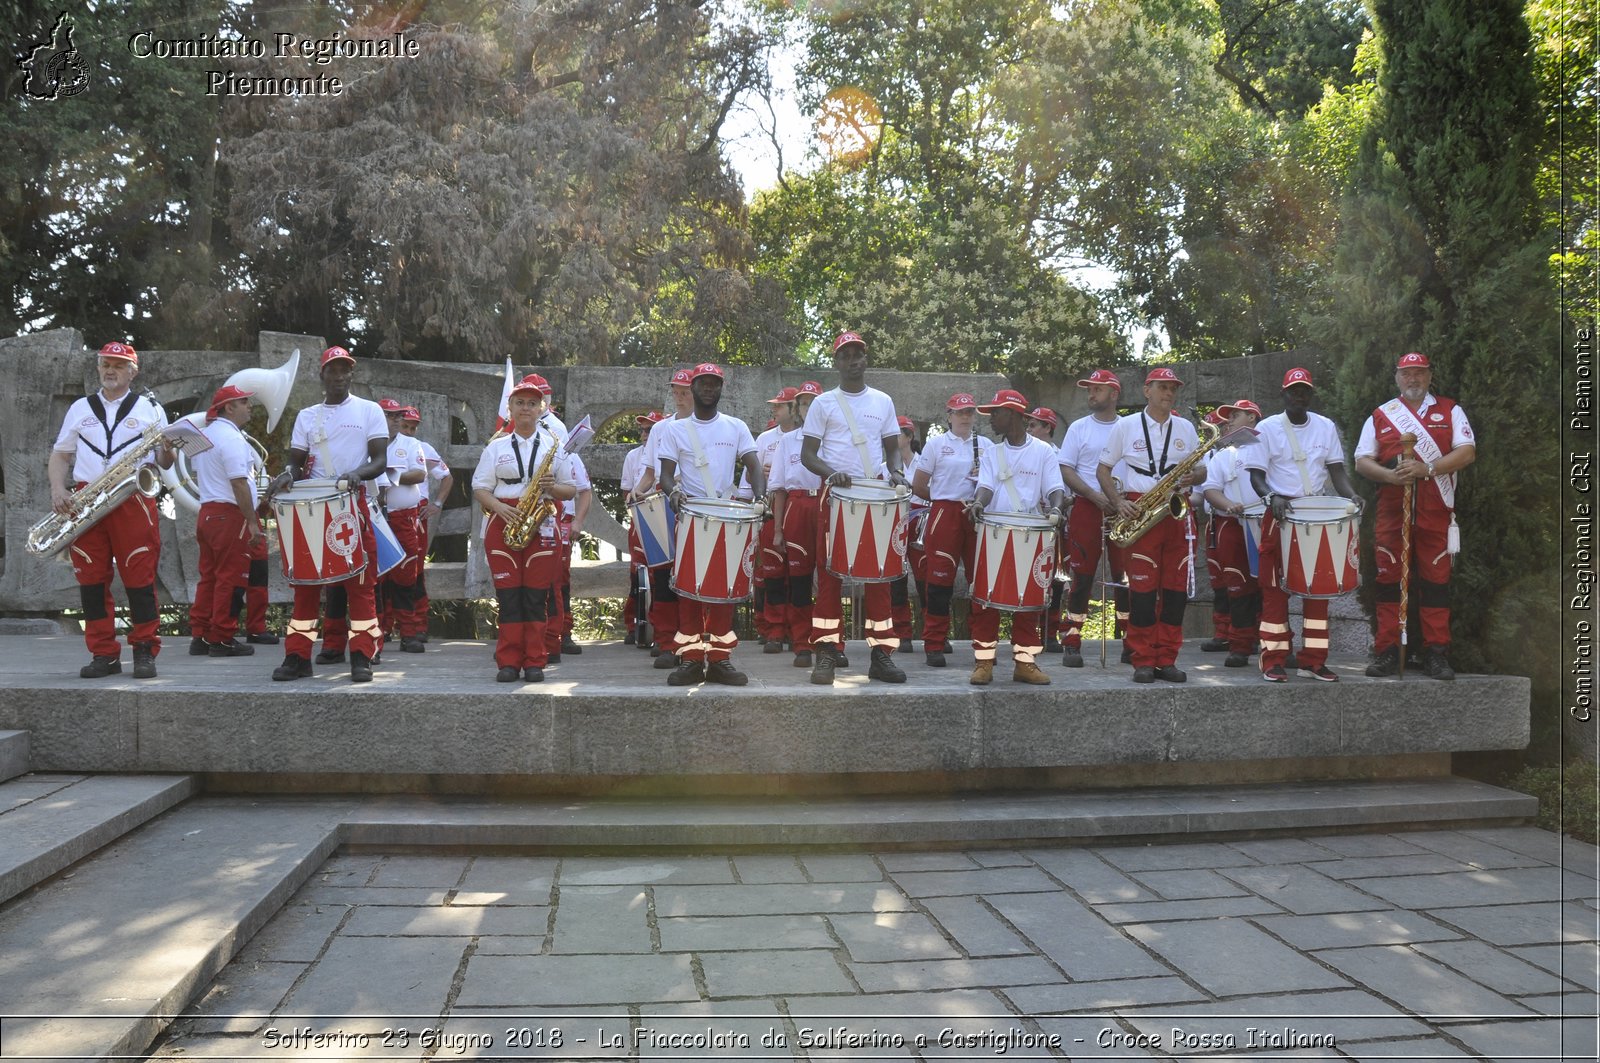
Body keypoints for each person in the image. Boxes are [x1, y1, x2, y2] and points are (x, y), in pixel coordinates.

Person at [48, 341, 175, 679]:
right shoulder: (79, 408)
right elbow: (61, 455)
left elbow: (163, 461)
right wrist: (58, 488)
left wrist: (169, 452)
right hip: (86, 498)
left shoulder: (151, 409)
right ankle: (104, 654)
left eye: (118, 364)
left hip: (132, 498)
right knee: (90, 580)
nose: (110, 369)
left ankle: (145, 650)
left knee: (139, 576)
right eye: (105, 363)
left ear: (133, 371)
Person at [267, 345, 389, 682]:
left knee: (359, 583)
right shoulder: (307, 416)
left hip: (351, 502)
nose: (338, 376)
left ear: (352, 373)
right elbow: (295, 460)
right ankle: (297, 656)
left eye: (344, 369)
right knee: (305, 584)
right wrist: (288, 474)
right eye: (332, 370)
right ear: (322, 375)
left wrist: (357, 475)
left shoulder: (369, 411)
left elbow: (380, 460)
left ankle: (362, 655)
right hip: (311, 505)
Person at [1354, 352, 1476, 680]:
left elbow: (1467, 452)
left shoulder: (1450, 410)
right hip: (1393, 511)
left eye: (1419, 373)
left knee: (1436, 583)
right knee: (1388, 582)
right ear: (1397, 377)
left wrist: (1429, 468)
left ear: (1430, 376)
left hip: (1436, 511)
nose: (1413, 379)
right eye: (1407, 373)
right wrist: (1389, 476)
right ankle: (1387, 651)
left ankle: (1436, 652)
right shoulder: (1381, 414)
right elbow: (1362, 460)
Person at [800, 332, 908, 685]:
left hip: (875, 495)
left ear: (865, 359)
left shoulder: (882, 401)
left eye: (858, 354)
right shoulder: (824, 403)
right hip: (835, 496)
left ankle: (881, 654)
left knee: (880, 574)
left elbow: (892, 446)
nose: (853, 360)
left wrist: (895, 471)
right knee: (830, 574)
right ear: (837, 362)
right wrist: (832, 474)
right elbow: (808, 455)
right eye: (846, 355)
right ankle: (828, 650)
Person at [1246, 368, 1363, 683]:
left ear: (1310, 395)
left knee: (1319, 589)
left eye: (1304, 391)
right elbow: (1256, 476)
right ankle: (1273, 659)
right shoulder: (1267, 428)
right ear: (1283, 394)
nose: (1299, 396)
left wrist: (1352, 496)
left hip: (1317, 512)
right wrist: (1272, 497)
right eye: (1293, 391)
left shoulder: (1325, 427)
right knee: (1274, 591)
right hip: (1281, 513)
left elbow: (1336, 471)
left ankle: (1313, 660)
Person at [656, 363, 764, 686]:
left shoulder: (735, 427)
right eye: (703, 383)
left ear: (721, 388)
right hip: (691, 514)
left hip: (728, 515)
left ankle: (719, 659)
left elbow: (755, 467)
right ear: (693, 387)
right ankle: (690, 659)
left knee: (724, 589)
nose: (708, 388)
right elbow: (664, 474)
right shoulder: (674, 430)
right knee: (689, 589)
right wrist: (672, 492)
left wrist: (760, 498)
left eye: (714, 383)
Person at [1096, 367, 1202, 683]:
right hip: (1140, 509)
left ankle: (1166, 659)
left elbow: (1204, 473)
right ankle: (1142, 659)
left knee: (1174, 594)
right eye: (1162, 387)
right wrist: (1118, 502)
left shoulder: (1186, 428)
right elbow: (1102, 470)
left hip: (1176, 512)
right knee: (1141, 592)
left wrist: (1194, 477)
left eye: (1173, 388)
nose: (1168, 393)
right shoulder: (1126, 426)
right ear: (1147, 391)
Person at [471, 375, 578, 682]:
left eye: (532, 403)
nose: (526, 409)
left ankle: (534, 661)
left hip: (541, 522)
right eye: (520, 403)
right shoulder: (496, 447)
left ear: (541, 408)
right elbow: (480, 487)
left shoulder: (554, 445)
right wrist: (499, 507)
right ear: (510, 408)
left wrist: (552, 487)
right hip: (504, 520)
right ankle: (508, 662)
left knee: (535, 597)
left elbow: (570, 490)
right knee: (509, 598)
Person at [967, 390, 1066, 685]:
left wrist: (1058, 508)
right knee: (986, 597)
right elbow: (985, 486)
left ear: (1012, 414)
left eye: (995, 413)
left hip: (1032, 530)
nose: (991, 419)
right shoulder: (992, 453)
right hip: (995, 528)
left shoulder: (1043, 451)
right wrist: (978, 503)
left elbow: (1054, 489)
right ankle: (984, 662)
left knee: (1031, 599)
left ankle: (1025, 663)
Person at [186, 384, 267, 658]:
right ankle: (221, 637)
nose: (250, 406)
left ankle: (200, 635)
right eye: (244, 402)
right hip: (230, 515)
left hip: (208, 512)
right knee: (231, 579)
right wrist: (252, 522)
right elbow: (239, 483)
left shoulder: (205, 437)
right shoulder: (232, 439)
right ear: (229, 407)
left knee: (209, 577)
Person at [1058, 369, 1129, 668]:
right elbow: (1066, 469)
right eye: (1089, 389)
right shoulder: (1078, 428)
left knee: (1126, 577)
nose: (1091, 394)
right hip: (1088, 506)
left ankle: (1131, 640)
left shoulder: (1130, 427)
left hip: (1124, 507)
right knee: (1082, 575)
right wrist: (1094, 494)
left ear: (1114, 394)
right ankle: (1072, 639)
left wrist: (1119, 500)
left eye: (1098, 390)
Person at [911, 393, 989, 668]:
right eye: (959, 412)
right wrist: (942, 498)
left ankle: (984, 645)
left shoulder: (986, 445)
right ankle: (934, 644)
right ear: (949, 415)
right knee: (939, 581)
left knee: (980, 580)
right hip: (945, 512)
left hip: (976, 512)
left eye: (969, 411)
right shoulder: (936, 444)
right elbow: (919, 484)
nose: (965, 416)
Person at [634, 368, 695, 666]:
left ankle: (692, 641)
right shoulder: (660, 429)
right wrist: (637, 493)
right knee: (662, 573)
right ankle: (667, 640)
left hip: (695, 502)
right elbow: (649, 472)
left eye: (685, 392)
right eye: (676, 392)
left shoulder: (706, 426)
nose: (680, 397)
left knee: (692, 574)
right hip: (662, 501)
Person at [1200, 400, 1265, 668]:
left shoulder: (1270, 448)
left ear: (1252, 418)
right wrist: (1229, 505)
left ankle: (1272, 644)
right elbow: (1210, 490)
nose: (1228, 422)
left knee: (1270, 587)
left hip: (1267, 523)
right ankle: (1239, 645)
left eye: (1234, 416)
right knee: (1237, 587)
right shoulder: (1224, 455)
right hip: (1232, 524)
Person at [768, 380, 825, 667]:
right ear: (798, 408)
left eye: (814, 401)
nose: (809, 407)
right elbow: (778, 488)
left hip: (827, 504)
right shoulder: (788, 442)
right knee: (800, 580)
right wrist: (778, 529)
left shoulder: (836, 440)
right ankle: (802, 644)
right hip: (797, 507)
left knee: (829, 579)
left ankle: (830, 643)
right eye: (804, 402)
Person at [378, 399, 429, 653]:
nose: (396, 420)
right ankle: (378, 630)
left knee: (407, 574)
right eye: (390, 416)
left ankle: (408, 632)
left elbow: (419, 474)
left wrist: (386, 475)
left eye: (399, 416)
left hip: (404, 517)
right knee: (377, 576)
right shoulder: (367, 443)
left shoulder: (411, 444)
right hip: (375, 516)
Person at [754, 387, 801, 653]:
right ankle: (773, 631)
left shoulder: (809, 436)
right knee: (771, 574)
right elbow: (752, 478)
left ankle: (796, 632)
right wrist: (762, 472)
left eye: (780, 405)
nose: (775, 409)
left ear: (793, 409)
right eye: (775, 405)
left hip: (798, 505)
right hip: (772, 507)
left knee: (798, 575)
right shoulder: (764, 439)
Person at [398, 405, 451, 640]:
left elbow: (447, 478)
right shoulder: (381, 445)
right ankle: (386, 624)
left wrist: (436, 504)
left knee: (414, 568)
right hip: (386, 510)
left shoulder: (424, 448)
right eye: (405, 425)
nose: (409, 431)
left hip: (416, 513)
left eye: (412, 427)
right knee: (386, 568)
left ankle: (418, 624)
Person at [1025, 406, 1064, 652]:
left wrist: (1055, 506)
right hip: (1032, 524)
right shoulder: (1027, 453)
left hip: (1054, 524)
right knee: (1032, 577)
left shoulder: (1060, 455)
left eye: (1033, 425)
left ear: (1048, 427)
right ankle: (1031, 632)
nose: (1028, 429)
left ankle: (1051, 632)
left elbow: (1066, 493)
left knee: (1055, 580)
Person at [890, 415, 923, 651]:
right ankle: (902, 633)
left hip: (921, 521)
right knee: (896, 581)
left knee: (927, 580)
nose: (893, 439)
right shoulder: (885, 468)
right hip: (895, 523)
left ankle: (935, 634)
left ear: (909, 437)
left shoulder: (925, 464)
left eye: (897, 434)